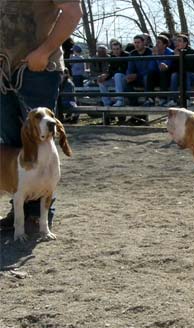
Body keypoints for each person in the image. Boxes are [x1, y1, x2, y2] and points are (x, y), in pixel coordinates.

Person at [0, 0, 82, 231]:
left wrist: (44, 52)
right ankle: (21, 208)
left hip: (38, 69)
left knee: (40, 141)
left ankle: (38, 214)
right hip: (4, 70)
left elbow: (72, 12)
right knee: (12, 144)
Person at [166, 33, 194, 107]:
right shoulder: (174, 53)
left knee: (186, 74)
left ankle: (187, 99)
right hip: (181, 76)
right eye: (176, 41)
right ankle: (174, 100)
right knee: (174, 75)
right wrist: (176, 58)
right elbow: (172, 70)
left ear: (185, 43)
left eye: (179, 41)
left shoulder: (192, 52)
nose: (177, 43)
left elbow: (189, 68)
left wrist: (180, 57)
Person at [121, 34, 152, 106]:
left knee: (146, 77)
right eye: (135, 43)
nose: (136, 45)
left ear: (143, 43)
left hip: (148, 77)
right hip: (137, 78)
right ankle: (133, 102)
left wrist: (137, 75)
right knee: (125, 80)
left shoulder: (150, 52)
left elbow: (151, 69)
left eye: (138, 42)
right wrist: (129, 76)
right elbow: (130, 68)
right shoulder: (132, 54)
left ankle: (148, 99)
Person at [97, 40, 129, 107]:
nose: (116, 51)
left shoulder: (127, 55)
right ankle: (107, 103)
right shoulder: (112, 57)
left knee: (117, 75)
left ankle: (120, 100)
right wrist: (105, 76)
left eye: (117, 49)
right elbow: (111, 70)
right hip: (117, 80)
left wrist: (110, 74)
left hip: (126, 80)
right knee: (101, 81)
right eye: (114, 49)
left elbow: (123, 70)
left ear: (121, 49)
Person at [145, 34, 174, 106]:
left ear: (164, 45)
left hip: (167, 77)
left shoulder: (170, 53)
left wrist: (157, 57)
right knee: (150, 73)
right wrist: (154, 56)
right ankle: (150, 98)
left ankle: (163, 98)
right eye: (156, 42)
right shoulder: (154, 52)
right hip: (157, 77)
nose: (156, 44)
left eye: (159, 42)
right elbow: (151, 68)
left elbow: (164, 67)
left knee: (163, 73)